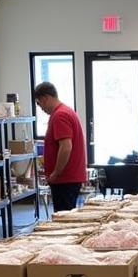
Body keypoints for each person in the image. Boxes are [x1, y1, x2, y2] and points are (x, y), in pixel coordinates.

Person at [34, 81, 87, 213]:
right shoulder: (65, 111)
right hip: (68, 178)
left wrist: (56, 173)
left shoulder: (60, 115)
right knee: (67, 215)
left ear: (45, 98)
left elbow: (66, 147)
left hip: (65, 179)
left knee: (64, 220)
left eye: (40, 104)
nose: (41, 109)